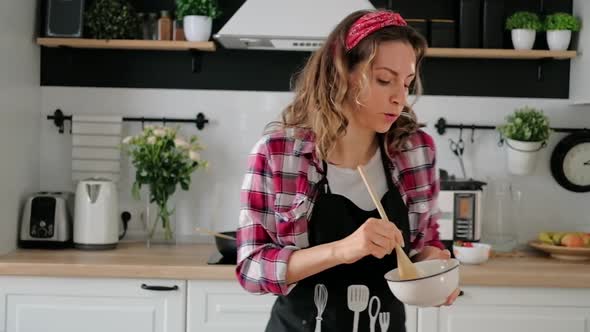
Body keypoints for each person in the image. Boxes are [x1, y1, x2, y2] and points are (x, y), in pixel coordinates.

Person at [236, 9, 460, 332]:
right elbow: (251, 270)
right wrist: (343, 249)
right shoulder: (278, 154)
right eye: (385, 79)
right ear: (343, 74)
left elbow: (422, 245)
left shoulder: (416, 150)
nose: (400, 98)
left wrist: (435, 271)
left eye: (407, 83)